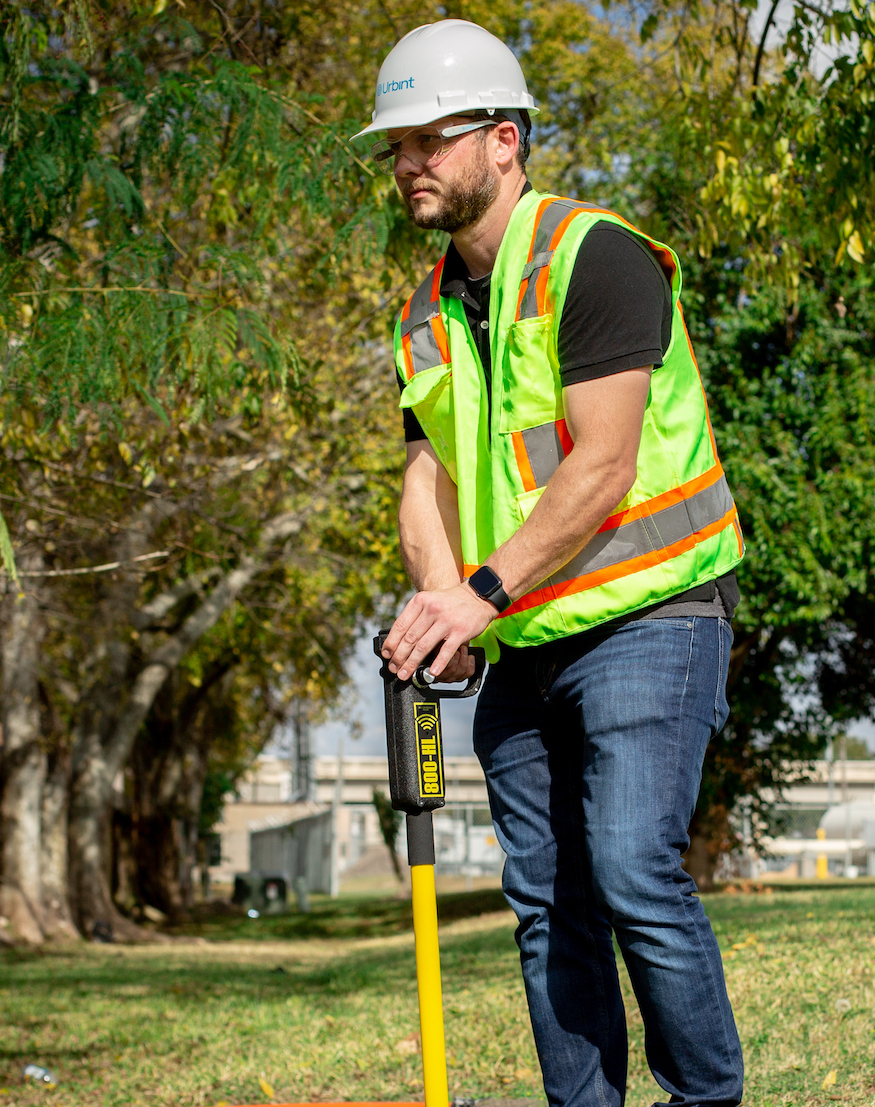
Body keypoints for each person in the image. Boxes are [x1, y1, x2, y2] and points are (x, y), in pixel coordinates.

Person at [364, 19, 746, 1107]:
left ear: (503, 140)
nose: (405, 165)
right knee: (546, 900)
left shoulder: (596, 259)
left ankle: (705, 1101)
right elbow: (426, 480)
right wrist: (437, 601)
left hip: (651, 615)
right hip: (524, 636)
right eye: (396, 147)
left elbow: (605, 468)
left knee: (631, 871)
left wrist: (477, 596)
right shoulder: (426, 312)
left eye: (429, 140)